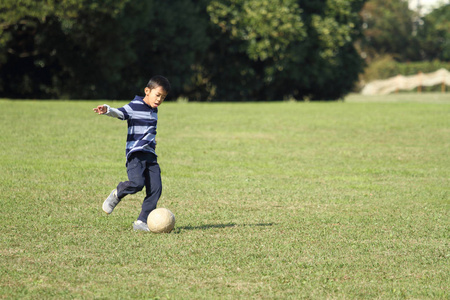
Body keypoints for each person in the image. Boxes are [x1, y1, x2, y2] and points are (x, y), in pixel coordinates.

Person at [93, 75, 171, 232]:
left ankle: (142, 221)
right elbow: (121, 113)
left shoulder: (154, 110)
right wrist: (108, 110)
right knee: (137, 184)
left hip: (150, 156)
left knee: (156, 189)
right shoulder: (135, 105)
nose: (159, 100)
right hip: (135, 155)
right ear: (147, 91)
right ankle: (118, 193)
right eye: (157, 95)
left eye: (163, 97)